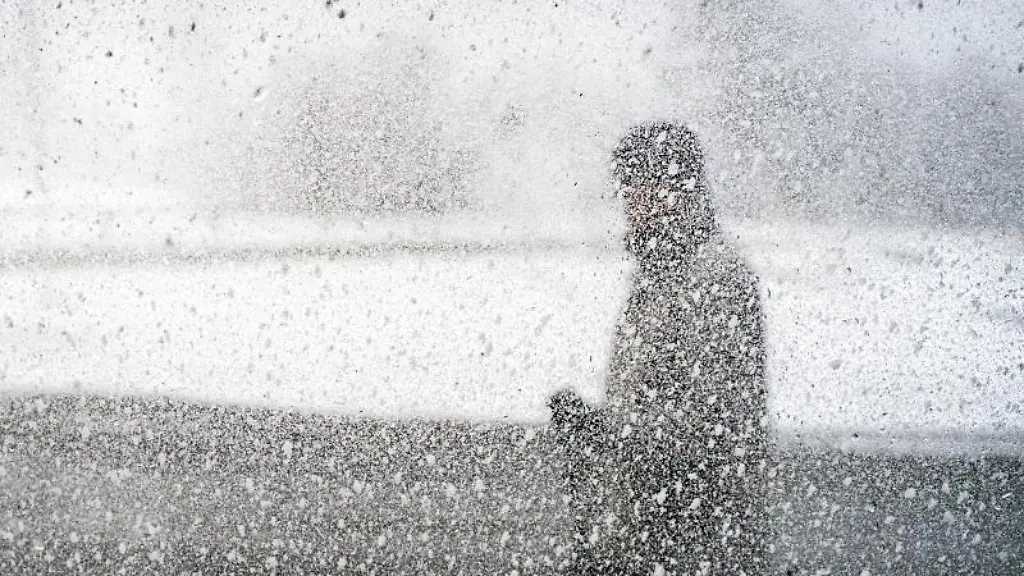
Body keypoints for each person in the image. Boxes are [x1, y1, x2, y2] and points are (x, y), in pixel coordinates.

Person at [553, 122, 769, 575]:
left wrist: (604, 432)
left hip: (695, 540)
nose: (628, 204)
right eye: (625, 189)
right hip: (649, 533)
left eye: (639, 186)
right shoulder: (657, 275)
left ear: (679, 190)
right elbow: (654, 400)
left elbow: (713, 427)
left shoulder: (713, 280)